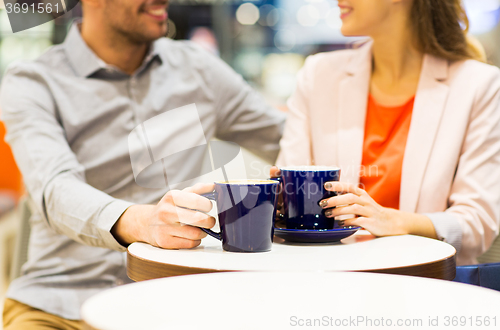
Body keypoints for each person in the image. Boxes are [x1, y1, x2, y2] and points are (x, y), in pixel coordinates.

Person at [0, 0, 285, 328]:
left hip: (174, 302)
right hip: (61, 305)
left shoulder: (199, 69)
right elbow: (54, 188)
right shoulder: (34, 81)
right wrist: (141, 221)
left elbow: (290, 142)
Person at [275, 0, 500, 266]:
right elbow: (288, 191)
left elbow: (477, 224)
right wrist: (278, 200)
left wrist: (392, 220)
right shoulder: (318, 75)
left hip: (425, 283)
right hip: (329, 278)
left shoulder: (479, 85)